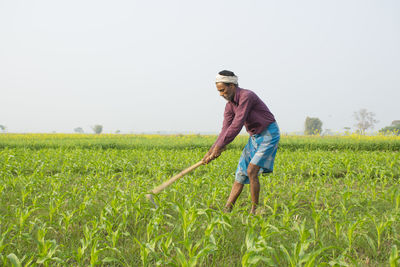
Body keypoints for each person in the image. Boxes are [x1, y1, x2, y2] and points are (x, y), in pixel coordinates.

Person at [202, 70, 280, 214]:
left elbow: (237, 124)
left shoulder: (246, 96)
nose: (221, 94)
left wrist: (220, 147)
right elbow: (225, 129)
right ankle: (227, 209)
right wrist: (211, 151)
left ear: (232, 85)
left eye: (222, 90)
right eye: (219, 91)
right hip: (255, 137)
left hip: (269, 134)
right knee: (241, 173)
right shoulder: (229, 106)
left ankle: (254, 211)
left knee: (251, 171)